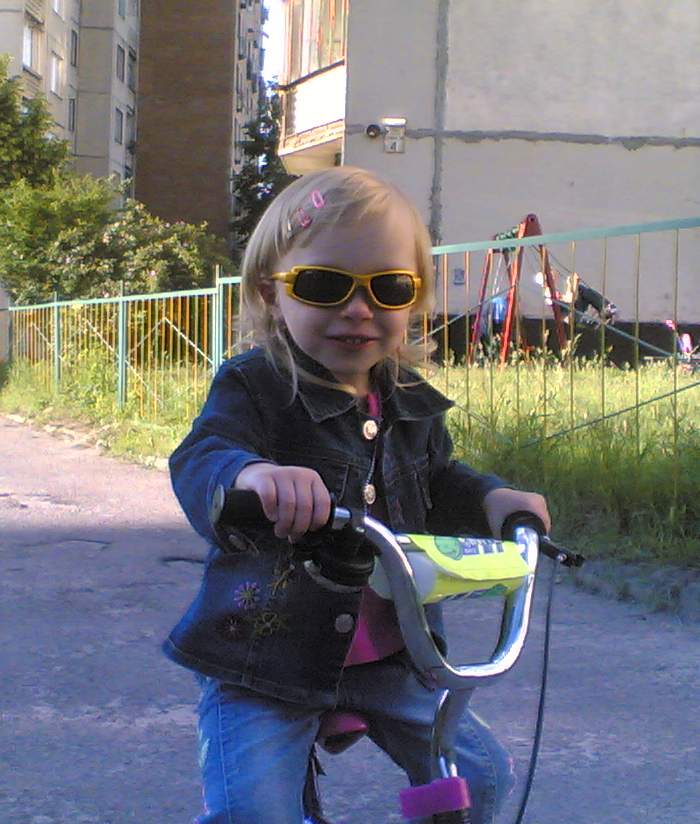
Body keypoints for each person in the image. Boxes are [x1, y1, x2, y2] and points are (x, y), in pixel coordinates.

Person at [164, 166, 551, 824]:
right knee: (253, 809)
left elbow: (437, 478)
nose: (359, 308)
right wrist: (251, 476)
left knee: (477, 775)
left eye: (388, 287)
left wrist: (492, 498)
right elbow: (201, 456)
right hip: (266, 651)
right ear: (271, 292)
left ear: (414, 298)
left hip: (394, 654)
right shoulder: (256, 385)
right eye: (323, 285)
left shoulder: (410, 398)